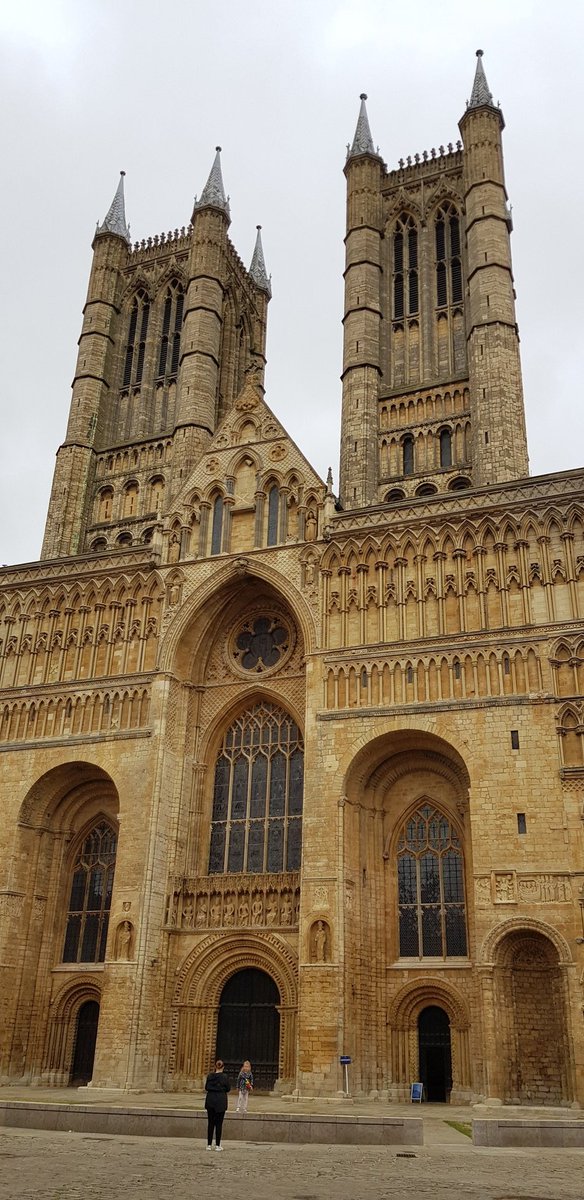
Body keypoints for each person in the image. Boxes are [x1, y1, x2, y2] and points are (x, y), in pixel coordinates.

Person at [204, 1059, 231, 1150]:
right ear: (223, 1067)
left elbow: (207, 1087)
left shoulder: (210, 1076)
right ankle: (218, 1145)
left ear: (215, 1066)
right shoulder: (225, 1077)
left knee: (210, 1123)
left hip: (210, 1100)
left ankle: (208, 1145)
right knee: (219, 1124)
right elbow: (228, 1088)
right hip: (220, 1101)